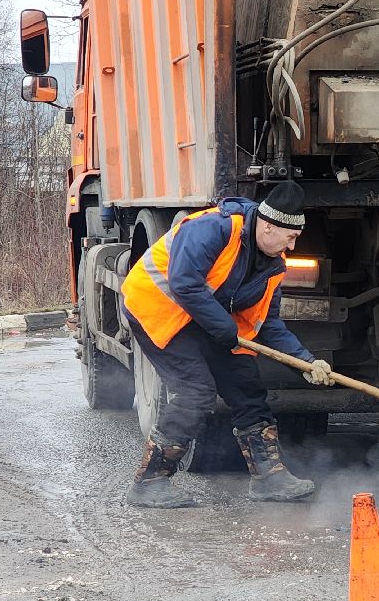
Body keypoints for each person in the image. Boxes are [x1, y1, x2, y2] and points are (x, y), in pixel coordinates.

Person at [119, 181, 334, 508]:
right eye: (290, 238)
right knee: (196, 391)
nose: (291, 246)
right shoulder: (213, 229)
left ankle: (269, 477)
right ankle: (150, 482)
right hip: (157, 309)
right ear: (269, 227)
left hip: (206, 319)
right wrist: (224, 330)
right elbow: (184, 284)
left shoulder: (273, 267)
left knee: (246, 384)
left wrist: (305, 362)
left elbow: (270, 324)